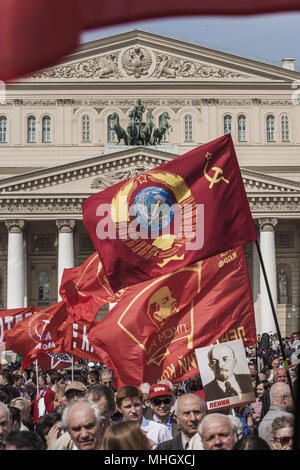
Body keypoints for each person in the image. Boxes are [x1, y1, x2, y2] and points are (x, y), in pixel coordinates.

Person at [258, 382, 294, 447]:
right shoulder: (289, 419)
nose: (293, 399)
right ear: (284, 398)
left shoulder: (262, 423)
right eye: (291, 396)